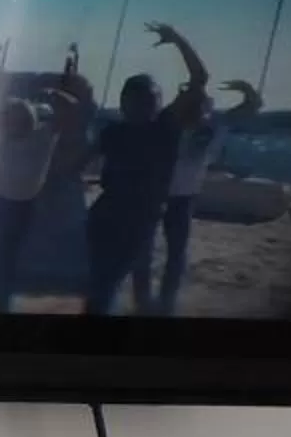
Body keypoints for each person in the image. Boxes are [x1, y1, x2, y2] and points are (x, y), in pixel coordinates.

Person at [84, 22, 213, 315]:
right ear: (124, 101)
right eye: (138, 98)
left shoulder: (164, 128)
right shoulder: (113, 132)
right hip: (105, 218)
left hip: (139, 222)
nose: (145, 104)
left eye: (150, 98)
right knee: (100, 287)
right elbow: (79, 163)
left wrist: (178, 39)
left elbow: (200, 77)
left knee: (104, 289)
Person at [159, 78, 259, 313]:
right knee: (146, 250)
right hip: (155, 193)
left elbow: (253, 104)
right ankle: (148, 298)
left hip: (183, 197)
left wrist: (246, 89)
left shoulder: (215, 125)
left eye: (201, 104)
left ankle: (166, 303)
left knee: (176, 253)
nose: (197, 108)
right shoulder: (170, 123)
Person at [0, 94, 54, 312]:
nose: (10, 121)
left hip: (22, 206)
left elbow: (73, 112)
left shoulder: (42, 137)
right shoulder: (0, 138)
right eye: (8, 117)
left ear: (27, 118)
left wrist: (54, 93)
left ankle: (0, 308)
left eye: (15, 117)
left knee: (7, 260)